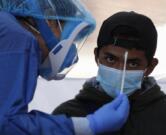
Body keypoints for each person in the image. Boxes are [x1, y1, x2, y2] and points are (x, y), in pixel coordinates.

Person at [0, 1, 130, 135]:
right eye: (69, 37)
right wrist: (88, 125)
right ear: (49, 20)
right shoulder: (17, 38)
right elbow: (6, 125)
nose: (71, 50)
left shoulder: (5, 30)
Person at [53, 11, 166, 135]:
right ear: (97, 57)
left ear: (150, 67)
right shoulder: (68, 116)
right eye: (110, 59)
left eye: (133, 63)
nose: (120, 70)